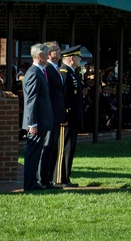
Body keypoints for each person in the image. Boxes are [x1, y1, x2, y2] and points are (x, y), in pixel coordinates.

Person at [22, 43, 54, 192]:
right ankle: (29, 185)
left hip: (41, 121)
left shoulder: (39, 71)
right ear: (40, 56)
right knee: (32, 154)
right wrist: (32, 123)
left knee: (36, 154)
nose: (49, 56)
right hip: (36, 123)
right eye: (47, 54)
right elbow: (31, 101)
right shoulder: (34, 73)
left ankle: (33, 183)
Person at [55, 45, 85, 188]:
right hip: (67, 118)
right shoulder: (64, 72)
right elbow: (62, 97)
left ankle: (66, 177)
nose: (80, 60)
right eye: (79, 57)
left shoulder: (72, 73)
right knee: (63, 149)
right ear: (72, 58)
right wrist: (64, 116)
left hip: (73, 118)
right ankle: (60, 179)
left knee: (70, 148)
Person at [41, 42, 65, 189]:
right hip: (51, 115)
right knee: (48, 147)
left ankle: (49, 179)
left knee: (54, 147)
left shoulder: (56, 69)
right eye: (57, 49)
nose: (60, 51)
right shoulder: (47, 69)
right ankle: (43, 179)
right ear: (49, 54)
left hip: (57, 115)